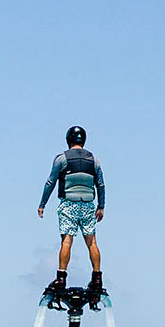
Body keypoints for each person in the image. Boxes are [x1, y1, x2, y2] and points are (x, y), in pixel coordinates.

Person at [38, 126, 106, 306]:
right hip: (88, 205)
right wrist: (101, 206)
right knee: (92, 242)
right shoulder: (94, 160)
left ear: (69, 140)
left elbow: (51, 181)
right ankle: (97, 277)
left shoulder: (62, 158)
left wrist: (42, 204)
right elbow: (100, 184)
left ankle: (61, 277)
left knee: (67, 241)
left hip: (69, 203)